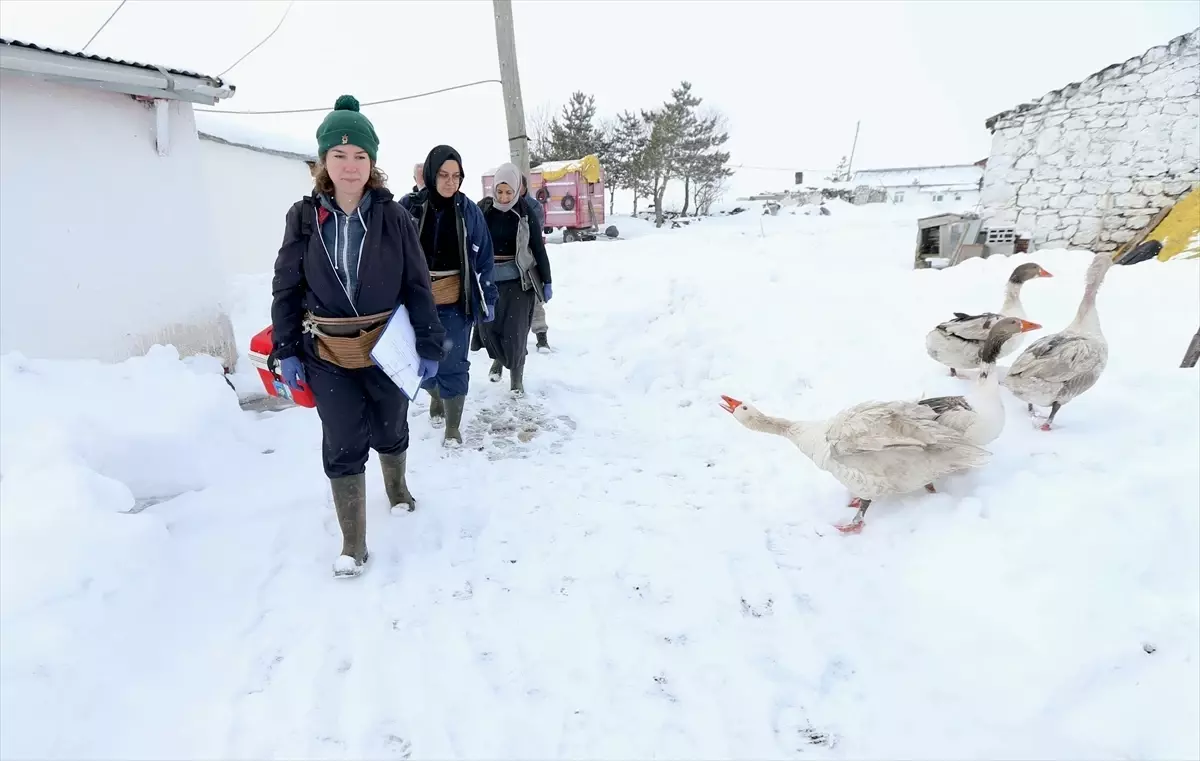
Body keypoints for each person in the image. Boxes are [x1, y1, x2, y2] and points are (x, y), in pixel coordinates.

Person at [271, 95, 445, 578]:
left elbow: (417, 284)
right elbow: (286, 285)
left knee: (390, 429)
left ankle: (397, 488)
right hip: (327, 352)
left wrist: (429, 344)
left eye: (361, 156)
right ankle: (353, 542)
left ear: (373, 162)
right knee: (343, 438)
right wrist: (286, 349)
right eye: (340, 155)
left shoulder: (394, 218)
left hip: (386, 351)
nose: (350, 167)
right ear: (324, 161)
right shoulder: (303, 218)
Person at [399, 145, 498, 446]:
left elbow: (484, 257)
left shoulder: (468, 211)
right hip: (416, 303)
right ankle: (435, 394)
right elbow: (390, 252)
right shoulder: (410, 206)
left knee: (453, 363)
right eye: (443, 174)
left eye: (456, 176)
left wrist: (489, 296)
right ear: (431, 174)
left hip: (456, 301)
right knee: (421, 365)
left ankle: (453, 427)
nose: (450, 182)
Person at [478, 163, 552, 395]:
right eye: (499, 191)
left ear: (518, 189)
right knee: (490, 330)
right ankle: (499, 360)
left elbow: (538, 249)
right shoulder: (485, 211)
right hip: (490, 283)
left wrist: (547, 280)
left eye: (509, 191)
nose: (504, 196)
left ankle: (516, 379)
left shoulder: (525, 213)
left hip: (519, 284)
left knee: (516, 333)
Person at [521, 176, 552, 352]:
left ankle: (542, 337)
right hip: (511, 264)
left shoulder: (533, 206)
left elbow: (534, 236)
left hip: (531, 261)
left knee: (535, 300)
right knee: (515, 307)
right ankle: (519, 341)